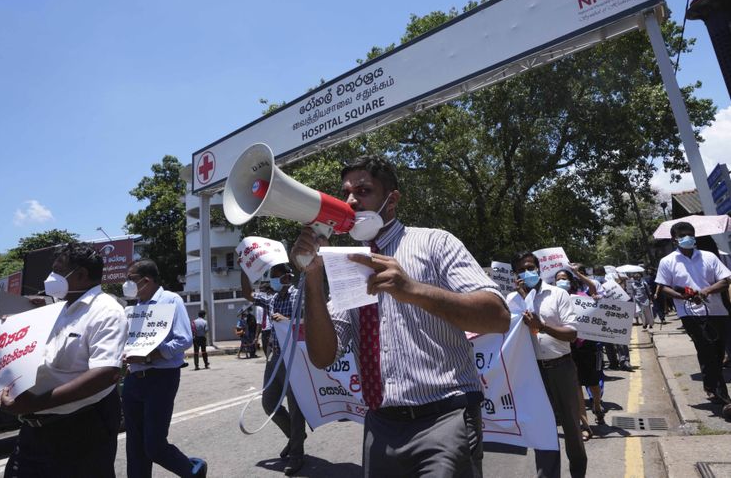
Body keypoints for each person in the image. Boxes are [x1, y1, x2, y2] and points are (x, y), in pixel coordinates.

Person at [292, 154, 510, 478]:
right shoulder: (345, 262)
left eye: (363, 191)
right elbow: (323, 356)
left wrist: (412, 290)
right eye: (347, 193)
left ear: (391, 199)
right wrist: (312, 277)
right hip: (380, 425)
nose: (351, 200)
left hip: (444, 418)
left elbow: (497, 316)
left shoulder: (434, 242)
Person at [0, 242, 128, 478]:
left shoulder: (107, 311)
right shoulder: (56, 310)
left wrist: (34, 404)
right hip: (33, 430)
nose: (51, 277)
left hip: (80, 430)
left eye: (58, 271)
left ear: (81, 275)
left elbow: (106, 373)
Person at [121, 259, 207, 478]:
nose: (126, 284)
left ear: (146, 280)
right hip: (133, 379)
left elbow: (184, 339)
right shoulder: (135, 308)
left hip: (161, 378)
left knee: (154, 445)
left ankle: (193, 470)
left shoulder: (171, 300)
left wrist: (151, 355)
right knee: (135, 446)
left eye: (130, 279)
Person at [511, 252, 586, 478]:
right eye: (522, 269)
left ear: (539, 268)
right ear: (517, 275)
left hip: (562, 368)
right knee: (542, 431)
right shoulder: (512, 301)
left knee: (572, 429)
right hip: (533, 373)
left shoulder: (558, 295)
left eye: (531, 267)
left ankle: (578, 473)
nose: (528, 272)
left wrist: (542, 326)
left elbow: (572, 334)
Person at [655, 221, 731, 408]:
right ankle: (725, 398)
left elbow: (725, 281)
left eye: (690, 234)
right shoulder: (667, 261)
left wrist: (706, 291)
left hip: (717, 311)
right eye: (682, 235)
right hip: (690, 314)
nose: (687, 238)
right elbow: (663, 287)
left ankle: (710, 385)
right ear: (675, 239)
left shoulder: (709, 257)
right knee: (708, 349)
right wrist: (683, 296)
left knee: (718, 350)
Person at [241, 263, 307, 476]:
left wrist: (289, 321)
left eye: (277, 276)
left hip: (295, 358)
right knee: (269, 403)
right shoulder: (272, 299)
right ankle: (295, 435)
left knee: (295, 407)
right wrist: (245, 267)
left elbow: (312, 321)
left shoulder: (299, 296)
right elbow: (247, 293)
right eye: (272, 276)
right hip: (276, 356)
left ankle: (297, 454)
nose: (273, 280)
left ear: (288, 276)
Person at [555, 269, 605, 433]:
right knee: (575, 385)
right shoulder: (553, 298)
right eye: (558, 279)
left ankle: (597, 405)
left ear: (571, 280)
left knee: (592, 383)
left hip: (588, 345)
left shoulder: (582, 296)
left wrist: (577, 273)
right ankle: (584, 425)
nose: (561, 281)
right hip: (569, 347)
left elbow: (593, 288)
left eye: (564, 278)